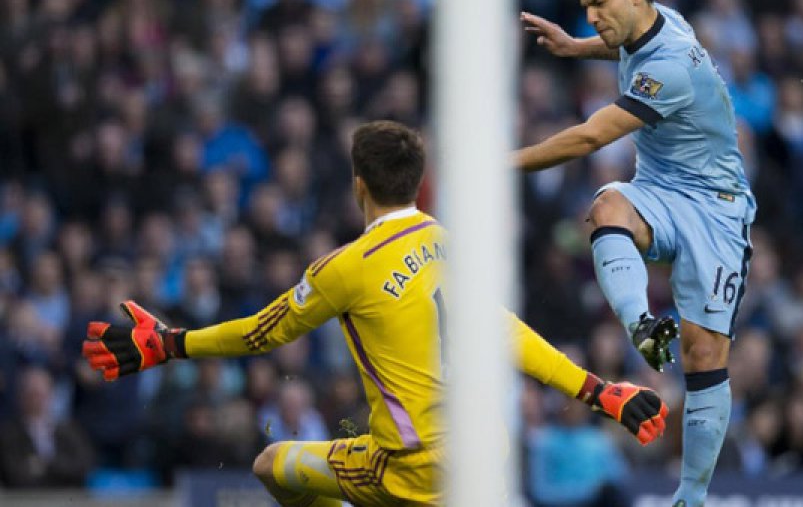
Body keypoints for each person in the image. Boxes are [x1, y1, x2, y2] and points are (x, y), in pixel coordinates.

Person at [82, 121, 669, 506]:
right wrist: (598, 391)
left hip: (413, 470)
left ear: (358, 186)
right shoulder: (443, 239)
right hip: (485, 452)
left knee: (271, 464)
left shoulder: (347, 267)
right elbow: (504, 330)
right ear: (418, 184)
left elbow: (259, 335)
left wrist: (172, 342)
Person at [518, 0, 755, 504]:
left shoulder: (671, 66)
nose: (592, 17)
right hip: (661, 191)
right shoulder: (661, 21)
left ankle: (690, 497)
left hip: (717, 210)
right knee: (607, 206)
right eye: (585, 8)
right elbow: (623, 50)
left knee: (703, 353)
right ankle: (640, 323)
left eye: (599, 4)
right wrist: (576, 46)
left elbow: (590, 137)